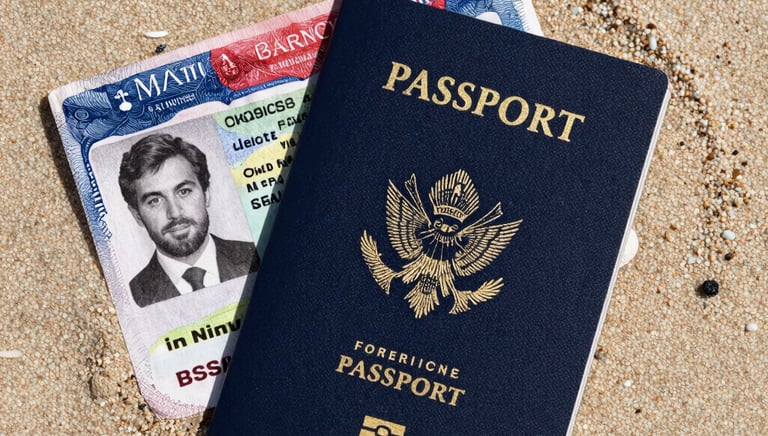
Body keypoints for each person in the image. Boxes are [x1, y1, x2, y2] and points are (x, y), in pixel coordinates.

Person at [118, 133, 259, 307]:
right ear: (137, 215)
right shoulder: (131, 297)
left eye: (183, 191)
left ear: (206, 194)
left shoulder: (256, 255)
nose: (175, 213)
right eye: (155, 201)